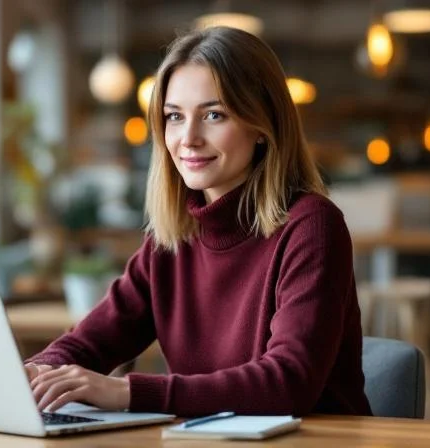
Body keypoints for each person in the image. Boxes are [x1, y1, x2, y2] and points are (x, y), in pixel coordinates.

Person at [25, 26, 372, 418]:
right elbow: (87, 344)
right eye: (174, 117)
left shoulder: (311, 226)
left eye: (213, 115)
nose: (188, 138)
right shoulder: (171, 239)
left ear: (262, 125)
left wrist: (126, 392)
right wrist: (35, 374)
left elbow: (288, 383)